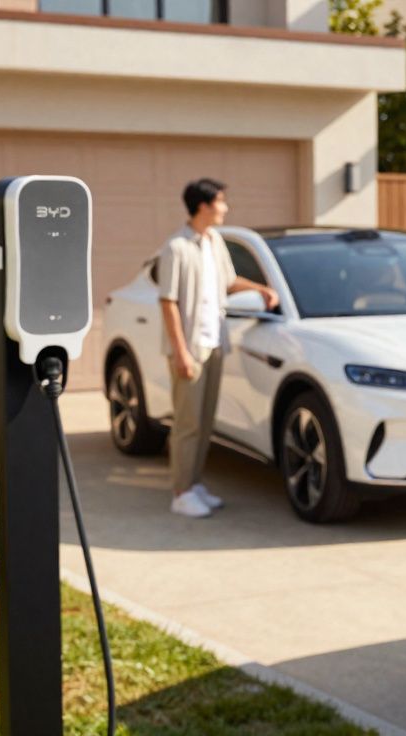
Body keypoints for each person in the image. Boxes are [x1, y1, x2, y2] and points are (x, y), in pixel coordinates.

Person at [156, 178, 278, 518]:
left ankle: (194, 484)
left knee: (206, 421)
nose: (225, 208)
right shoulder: (177, 248)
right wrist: (181, 352)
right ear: (204, 206)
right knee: (187, 424)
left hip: (214, 344)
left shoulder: (215, 242)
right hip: (190, 348)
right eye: (221, 202)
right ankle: (180, 492)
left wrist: (260, 289)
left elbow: (228, 281)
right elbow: (167, 302)